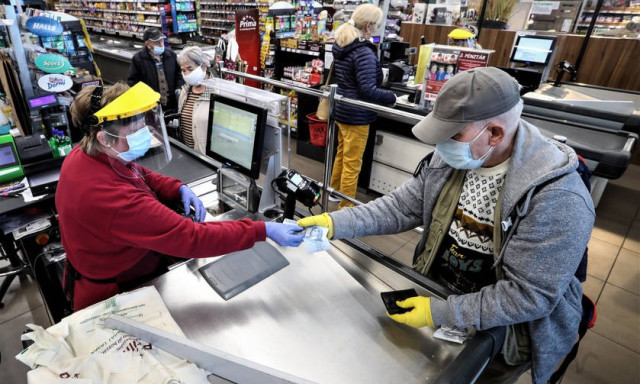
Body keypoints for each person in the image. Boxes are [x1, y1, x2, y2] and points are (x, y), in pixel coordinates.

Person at [298, 67, 595, 384]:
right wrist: (334, 222)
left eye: (452, 134)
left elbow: (527, 297)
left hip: (501, 337)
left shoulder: (559, 199)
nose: (441, 144)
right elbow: (402, 206)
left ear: (494, 133)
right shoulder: (456, 158)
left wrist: (438, 312)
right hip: (441, 297)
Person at [58, 82, 304, 311]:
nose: (145, 133)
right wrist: (263, 230)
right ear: (104, 137)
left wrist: (176, 188)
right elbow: (193, 238)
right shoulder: (115, 200)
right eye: (136, 130)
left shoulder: (86, 153)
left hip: (114, 270)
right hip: (117, 295)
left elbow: (137, 173)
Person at [330, 4, 396, 209]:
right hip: (357, 114)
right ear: (368, 26)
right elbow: (368, 90)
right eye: (375, 24)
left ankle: (334, 191)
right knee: (352, 163)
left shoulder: (342, 44)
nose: (376, 28)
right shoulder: (364, 51)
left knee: (342, 153)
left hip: (342, 109)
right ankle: (346, 208)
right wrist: (391, 97)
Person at [128, 28, 183, 112]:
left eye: (162, 41)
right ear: (147, 44)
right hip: (151, 107)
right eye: (157, 42)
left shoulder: (171, 55)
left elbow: (179, 74)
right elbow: (133, 82)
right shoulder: (138, 59)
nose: (161, 45)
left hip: (171, 105)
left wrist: (178, 88)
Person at [177, 46, 214, 154]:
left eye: (190, 69)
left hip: (206, 157)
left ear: (204, 66)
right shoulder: (185, 91)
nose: (187, 74)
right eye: (183, 70)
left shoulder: (216, 93)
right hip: (186, 153)